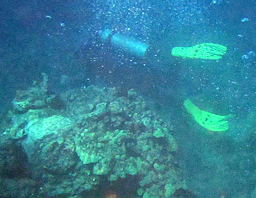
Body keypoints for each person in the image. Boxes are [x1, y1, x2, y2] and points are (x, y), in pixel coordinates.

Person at [97, 28, 230, 132]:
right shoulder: (115, 52)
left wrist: (194, 111)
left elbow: (162, 91)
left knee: (158, 77)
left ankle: (178, 53)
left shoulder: (104, 58)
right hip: (145, 64)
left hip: (142, 69)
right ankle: (177, 52)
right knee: (155, 66)